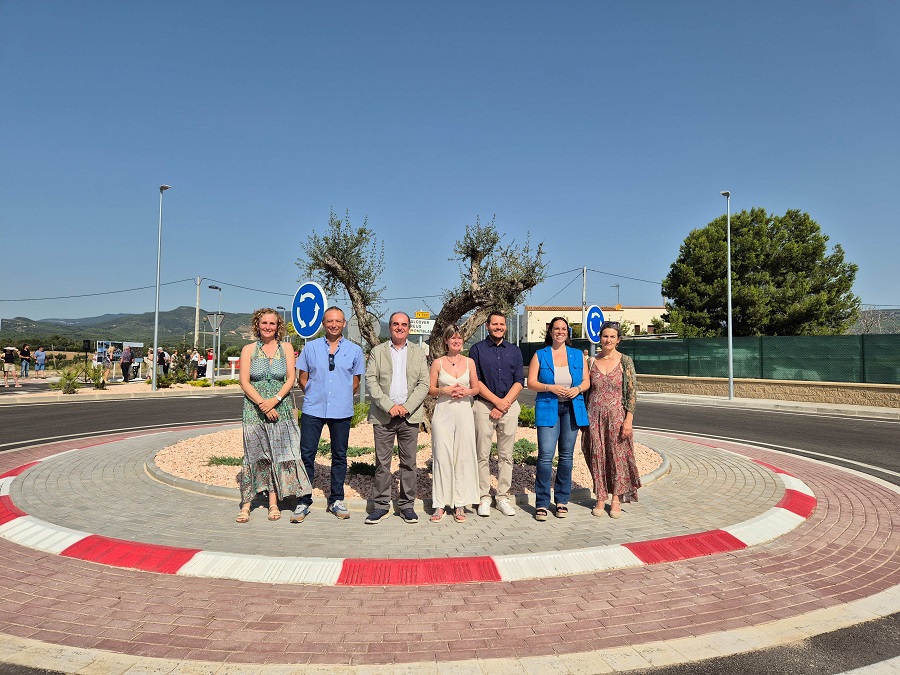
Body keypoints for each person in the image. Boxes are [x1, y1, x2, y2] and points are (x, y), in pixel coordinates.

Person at [236, 308, 312, 523]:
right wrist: (263, 404)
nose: (268, 327)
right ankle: (247, 503)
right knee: (254, 455)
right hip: (254, 410)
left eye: (272, 323)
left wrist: (275, 400)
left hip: (282, 408)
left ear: (278, 326)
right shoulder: (248, 349)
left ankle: (273, 502)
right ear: (257, 325)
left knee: (279, 454)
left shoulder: (286, 347)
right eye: (264, 323)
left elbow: (290, 378)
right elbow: (244, 381)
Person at [292, 307, 365, 523]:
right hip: (313, 409)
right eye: (330, 321)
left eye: (338, 321)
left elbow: (355, 382)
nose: (334, 324)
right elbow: (302, 378)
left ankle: (336, 499)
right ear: (323, 323)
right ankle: (303, 500)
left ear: (344, 324)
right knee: (307, 455)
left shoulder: (355, 350)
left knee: (339, 455)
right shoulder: (310, 348)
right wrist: (316, 394)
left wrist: (340, 395)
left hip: (341, 410)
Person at [365, 311, 430, 524]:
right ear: (390, 327)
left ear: (409, 328)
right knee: (382, 463)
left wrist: (407, 407)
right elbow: (371, 381)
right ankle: (381, 505)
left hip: (409, 417)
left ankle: (407, 505)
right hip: (384, 416)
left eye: (403, 324)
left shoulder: (419, 352)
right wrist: (389, 406)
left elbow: (424, 383)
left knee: (409, 463)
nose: (399, 327)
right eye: (395, 324)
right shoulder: (378, 351)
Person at [526, 317, 589, 521]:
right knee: (545, 456)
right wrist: (550, 388)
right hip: (548, 408)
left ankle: (562, 500)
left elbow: (587, 381)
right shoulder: (540, 355)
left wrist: (577, 389)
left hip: (572, 409)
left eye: (563, 329)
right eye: (556, 328)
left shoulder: (578, 355)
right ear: (550, 331)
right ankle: (542, 503)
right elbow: (531, 382)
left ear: (567, 332)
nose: (560, 332)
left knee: (566, 456)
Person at [468, 312, 524, 517]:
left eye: (502, 324)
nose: (498, 327)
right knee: (482, 454)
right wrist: (496, 402)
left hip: (509, 407)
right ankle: (484, 497)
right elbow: (477, 381)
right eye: (495, 324)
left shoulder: (515, 351)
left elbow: (519, 381)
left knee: (506, 455)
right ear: (488, 326)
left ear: (505, 327)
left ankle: (502, 496)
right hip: (484, 406)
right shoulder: (477, 350)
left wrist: (504, 404)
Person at [582, 322, 640, 518]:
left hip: (617, 416)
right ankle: (600, 497)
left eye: (612, 337)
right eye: (605, 336)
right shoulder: (590, 361)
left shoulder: (626, 361)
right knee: (597, 455)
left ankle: (616, 498)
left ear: (618, 340)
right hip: (594, 416)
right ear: (600, 338)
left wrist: (628, 420)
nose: (608, 340)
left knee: (617, 457)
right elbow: (585, 389)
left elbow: (632, 392)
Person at [428, 325, 481, 523]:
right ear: (446, 341)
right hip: (443, 413)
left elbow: (476, 388)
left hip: (464, 413)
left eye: (459, 338)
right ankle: (440, 504)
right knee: (442, 456)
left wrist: (466, 392)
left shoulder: (470, 362)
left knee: (464, 456)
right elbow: (431, 390)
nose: (456, 341)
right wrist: (445, 390)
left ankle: (460, 503)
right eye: (452, 338)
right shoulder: (437, 363)